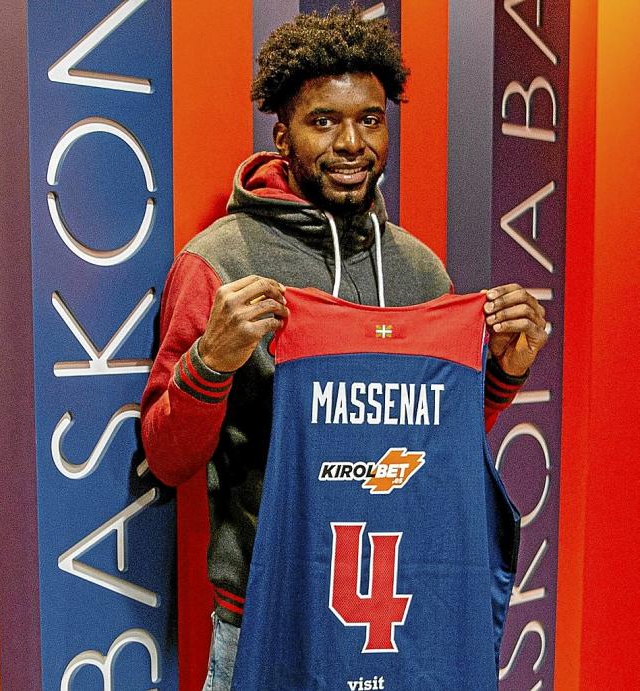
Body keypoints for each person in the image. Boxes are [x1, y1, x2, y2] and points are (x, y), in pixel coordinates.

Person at [141, 7, 548, 689]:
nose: (352, 142)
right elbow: (165, 455)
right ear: (284, 134)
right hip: (269, 615)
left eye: (370, 118)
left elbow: (431, 439)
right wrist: (210, 362)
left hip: (402, 609)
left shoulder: (419, 270)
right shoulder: (218, 263)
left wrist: (503, 375)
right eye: (324, 121)